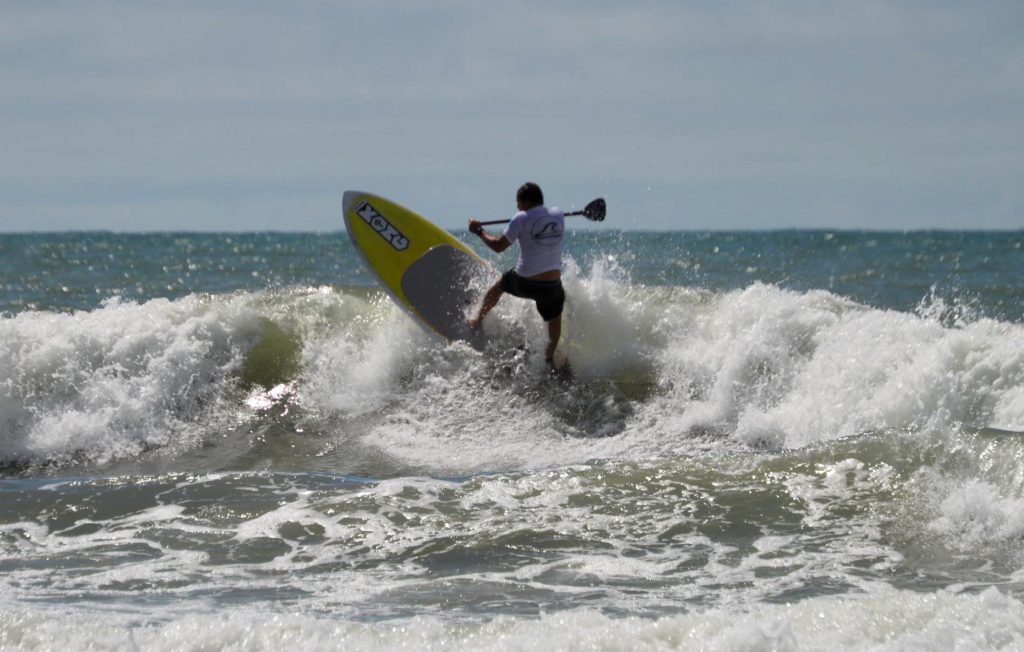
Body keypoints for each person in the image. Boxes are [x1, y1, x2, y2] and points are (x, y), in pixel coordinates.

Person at [468, 182, 566, 366]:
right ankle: (549, 356)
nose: (517, 206)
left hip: (525, 281)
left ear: (525, 202)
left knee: (499, 286)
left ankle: (476, 320)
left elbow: (498, 246)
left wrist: (479, 231)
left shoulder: (520, 218)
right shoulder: (559, 214)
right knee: (555, 316)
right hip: (552, 285)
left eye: (518, 202)